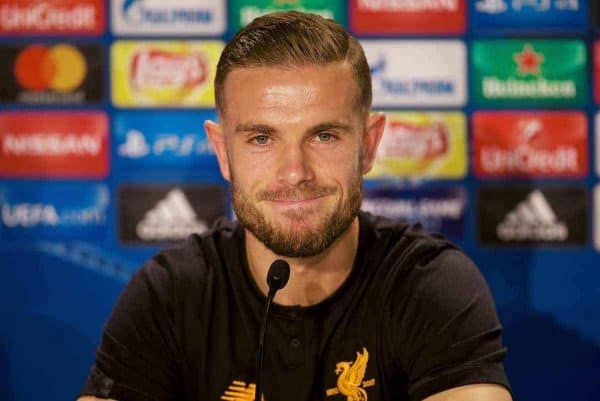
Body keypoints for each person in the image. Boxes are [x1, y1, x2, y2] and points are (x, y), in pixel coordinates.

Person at [78, 11, 512, 401]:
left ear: (369, 145)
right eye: (262, 139)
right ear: (223, 152)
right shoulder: (170, 295)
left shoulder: (429, 285)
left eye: (324, 136)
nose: (294, 173)